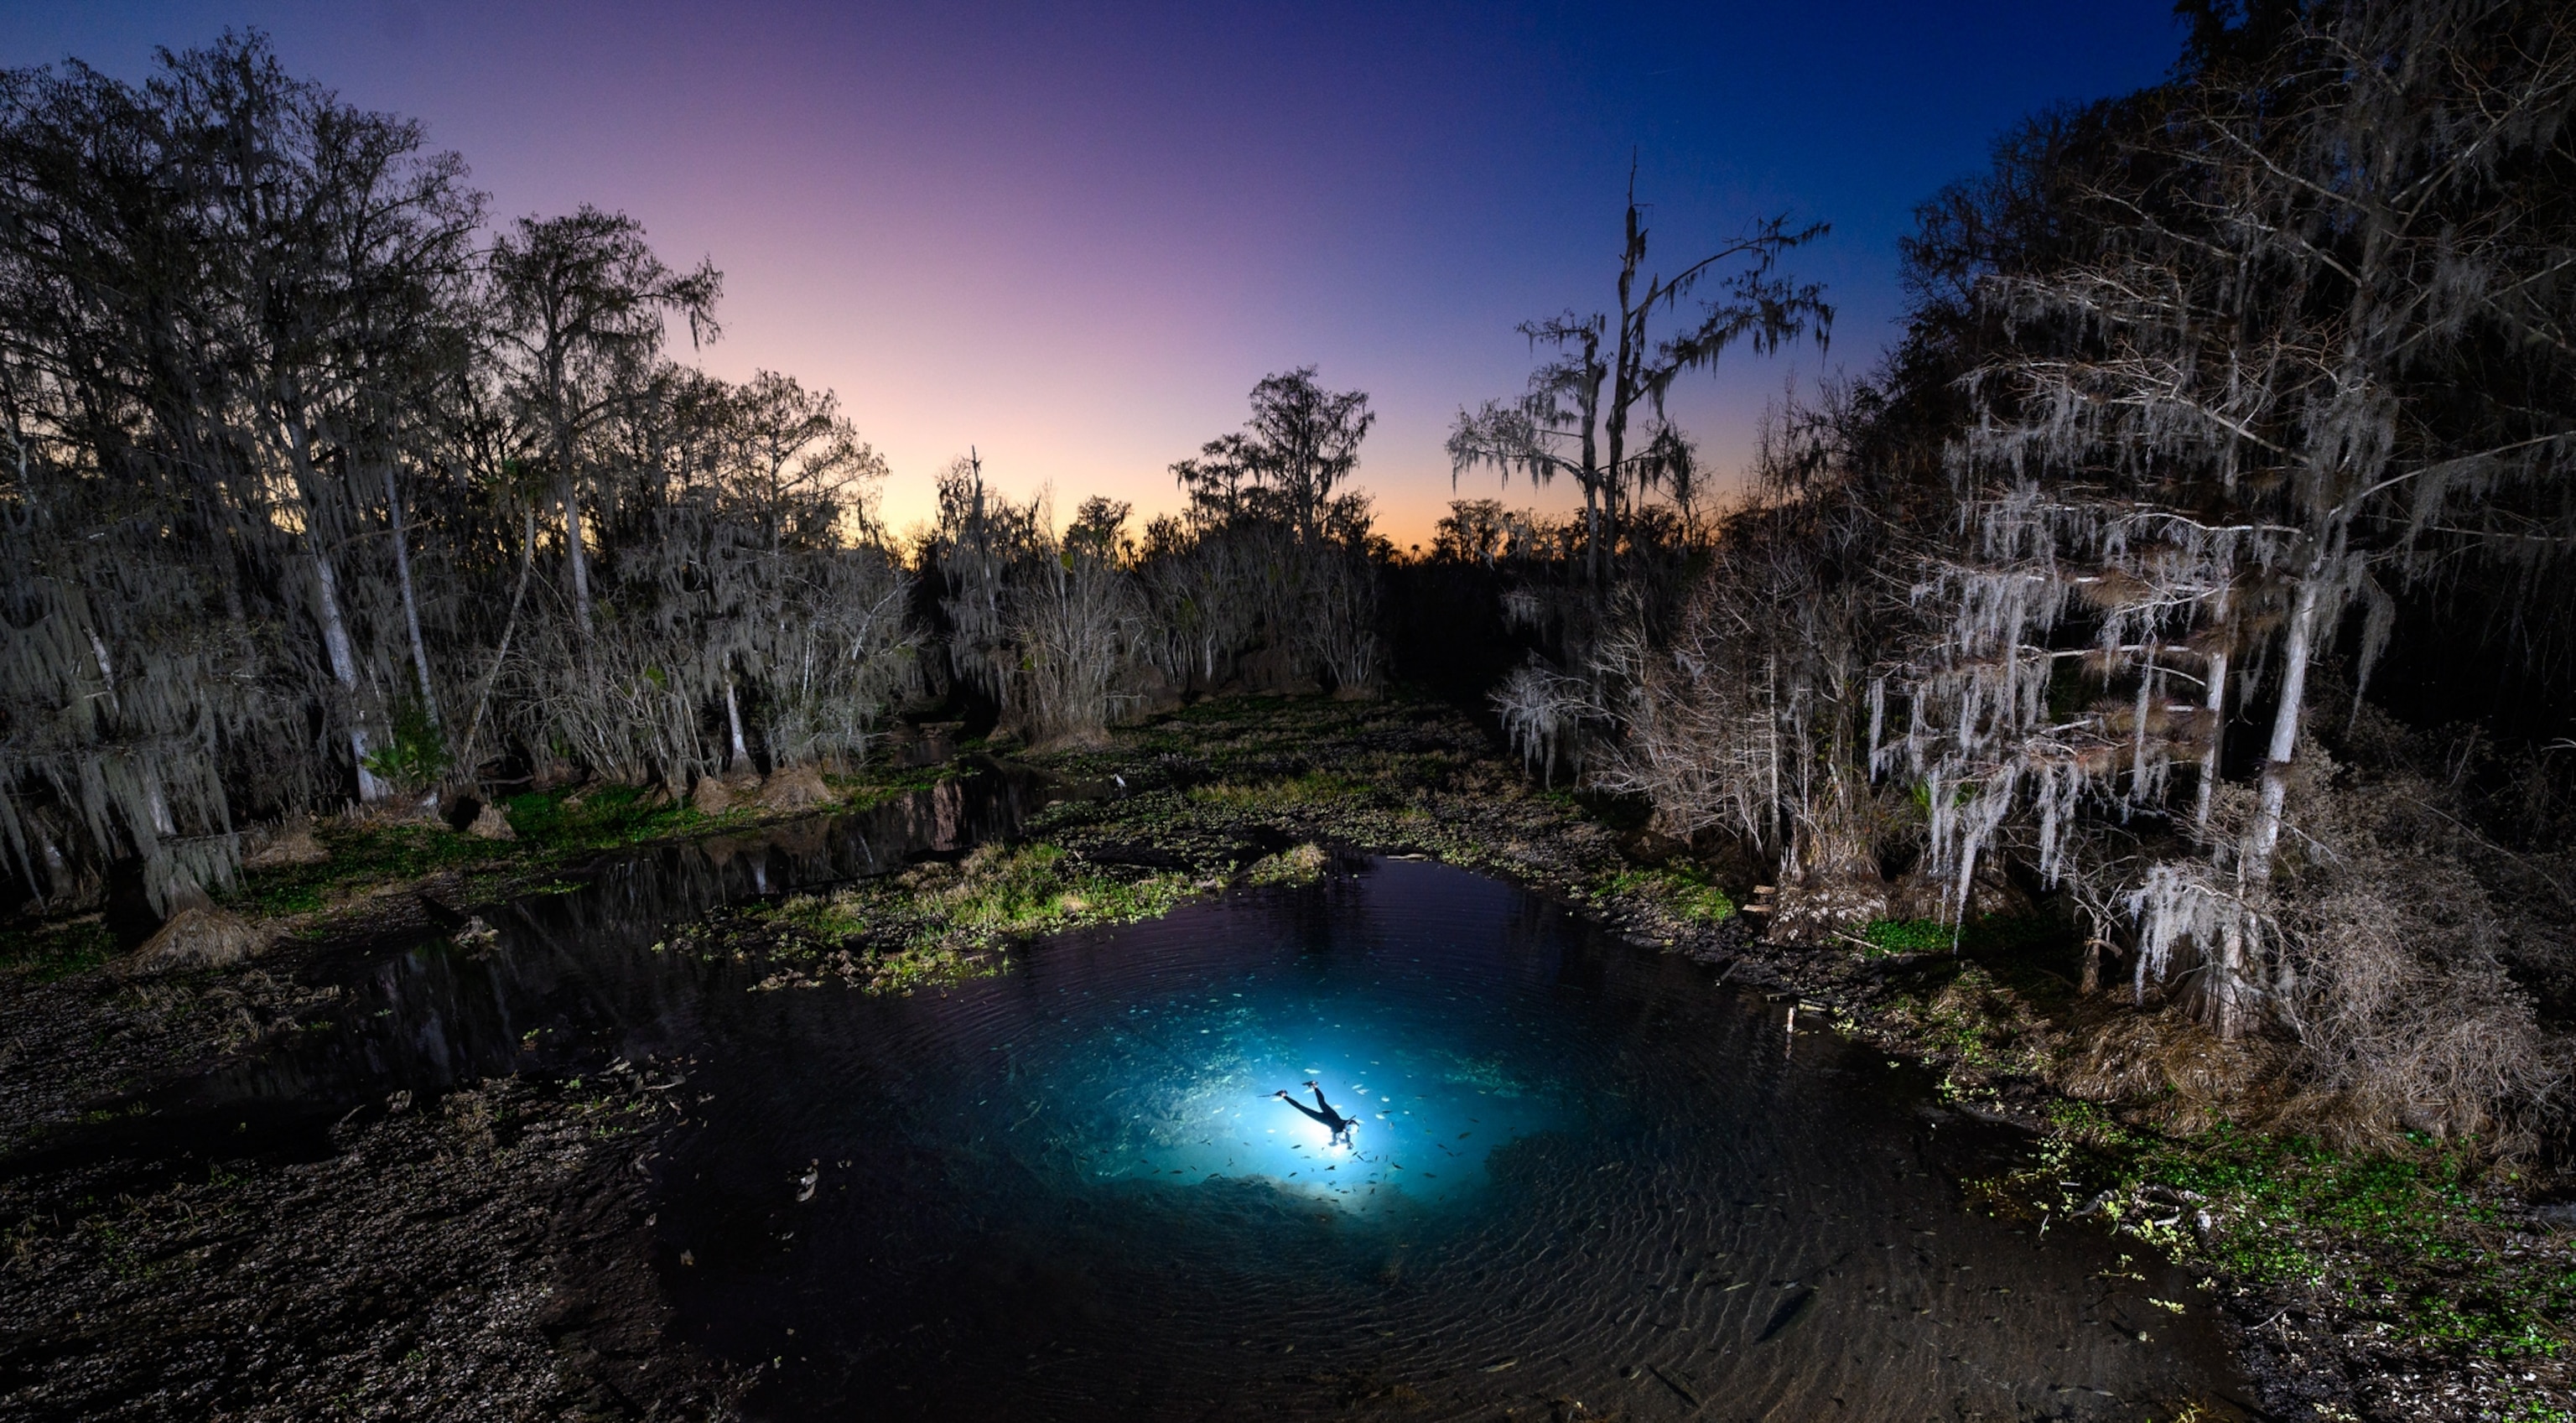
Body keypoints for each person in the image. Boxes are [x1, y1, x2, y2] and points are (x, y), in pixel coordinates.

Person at [1275, 1081, 1356, 1145]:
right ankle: (1284, 1095)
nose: (1341, 1138)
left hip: (1324, 1118)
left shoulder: (1337, 1134)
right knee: (1313, 1105)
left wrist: (1335, 1142)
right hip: (1329, 1116)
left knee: (1308, 1106)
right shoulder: (1345, 1130)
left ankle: (1285, 1095)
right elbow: (1347, 1136)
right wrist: (1347, 1142)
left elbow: (1336, 1139)